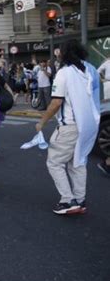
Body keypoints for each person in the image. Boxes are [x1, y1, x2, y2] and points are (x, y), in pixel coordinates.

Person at [36, 39, 100, 215]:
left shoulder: (64, 73)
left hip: (69, 126)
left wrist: (42, 121)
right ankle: (80, 199)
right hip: (88, 125)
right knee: (78, 162)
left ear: (63, 54)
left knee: (54, 163)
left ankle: (67, 200)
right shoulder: (90, 70)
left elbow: (56, 102)